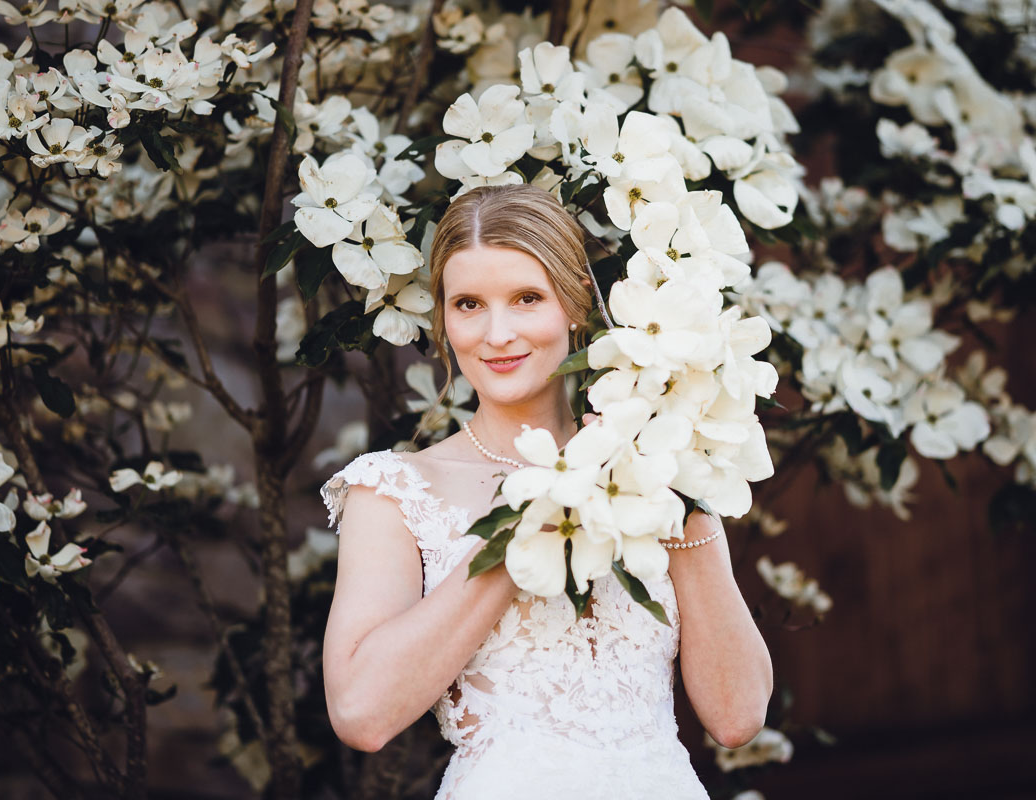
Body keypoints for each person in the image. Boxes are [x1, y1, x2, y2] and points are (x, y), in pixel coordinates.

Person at [320, 184, 773, 798]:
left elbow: (736, 717)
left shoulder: (648, 464)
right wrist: (523, 527)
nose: (497, 332)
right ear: (444, 319)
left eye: (526, 298)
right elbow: (362, 715)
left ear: (575, 303)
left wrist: (683, 495)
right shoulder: (396, 491)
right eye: (470, 304)